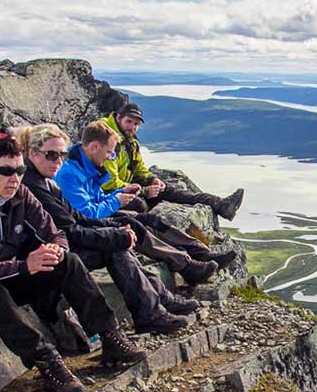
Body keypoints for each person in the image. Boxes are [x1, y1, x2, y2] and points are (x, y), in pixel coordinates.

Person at [0, 136, 147, 392]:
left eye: (19, 170)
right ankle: (46, 362)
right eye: (5, 171)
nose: (14, 179)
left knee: (68, 261)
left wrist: (55, 250)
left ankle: (109, 335)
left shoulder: (21, 195)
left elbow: (56, 233)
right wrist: (25, 265)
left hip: (12, 276)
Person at [17, 123, 198, 334]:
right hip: (44, 263)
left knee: (121, 234)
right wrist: (114, 235)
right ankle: (150, 313)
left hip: (60, 252)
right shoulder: (34, 187)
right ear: (32, 153)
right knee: (114, 247)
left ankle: (157, 304)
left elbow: (78, 218)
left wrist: (114, 228)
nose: (58, 161)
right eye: (51, 155)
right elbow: (70, 231)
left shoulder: (45, 182)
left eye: (61, 155)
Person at [55, 121, 235, 285]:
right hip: (83, 228)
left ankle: (200, 253)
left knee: (149, 219)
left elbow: (97, 198)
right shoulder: (70, 173)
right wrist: (116, 201)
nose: (110, 157)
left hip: (94, 218)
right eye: (109, 152)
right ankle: (186, 266)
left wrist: (121, 192)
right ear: (94, 146)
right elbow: (85, 213)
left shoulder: (86, 165)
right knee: (134, 223)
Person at [99, 102, 244, 218]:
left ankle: (221, 205)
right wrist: (143, 191)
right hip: (108, 192)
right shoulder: (107, 139)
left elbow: (139, 167)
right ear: (118, 118)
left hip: (126, 184)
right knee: (140, 204)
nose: (132, 127)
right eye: (129, 121)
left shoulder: (130, 140)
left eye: (136, 124)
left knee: (169, 190)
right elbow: (109, 183)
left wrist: (152, 179)